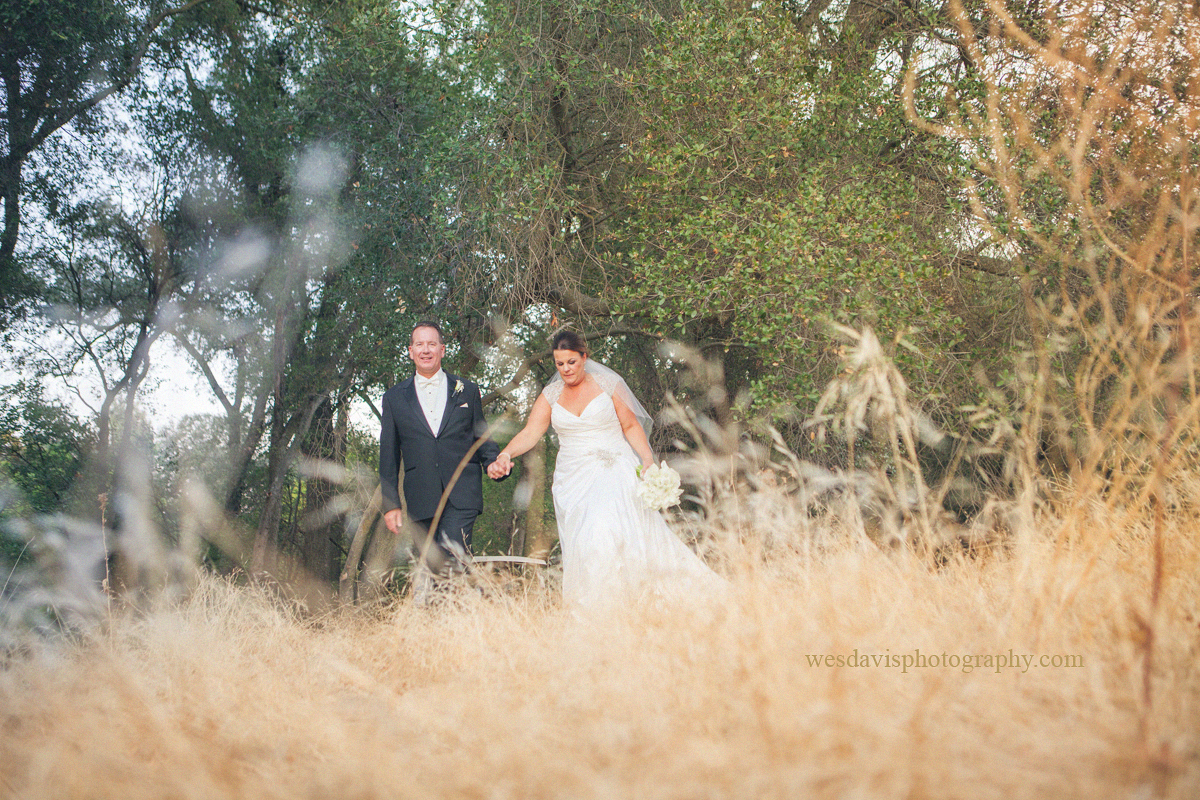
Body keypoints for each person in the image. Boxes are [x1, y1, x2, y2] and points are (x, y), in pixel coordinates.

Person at [488, 330, 718, 606]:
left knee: (603, 528)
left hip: (614, 469)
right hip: (572, 480)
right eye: (560, 364)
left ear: (584, 357)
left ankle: (622, 602)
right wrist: (505, 454)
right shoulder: (551, 395)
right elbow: (531, 432)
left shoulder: (608, 384)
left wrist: (647, 460)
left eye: (571, 362)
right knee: (584, 540)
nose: (566, 369)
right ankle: (593, 608)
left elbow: (630, 425)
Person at [379, 321, 505, 589]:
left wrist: (493, 462)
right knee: (432, 568)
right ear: (411, 351)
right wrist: (391, 505)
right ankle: (450, 613)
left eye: (432, 344)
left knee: (454, 555)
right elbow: (388, 454)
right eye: (420, 344)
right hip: (421, 496)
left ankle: (457, 610)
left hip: (462, 493)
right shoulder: (394, 398)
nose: (426, 350)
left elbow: (481, 436)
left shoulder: (467, 389)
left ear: (442, 350)